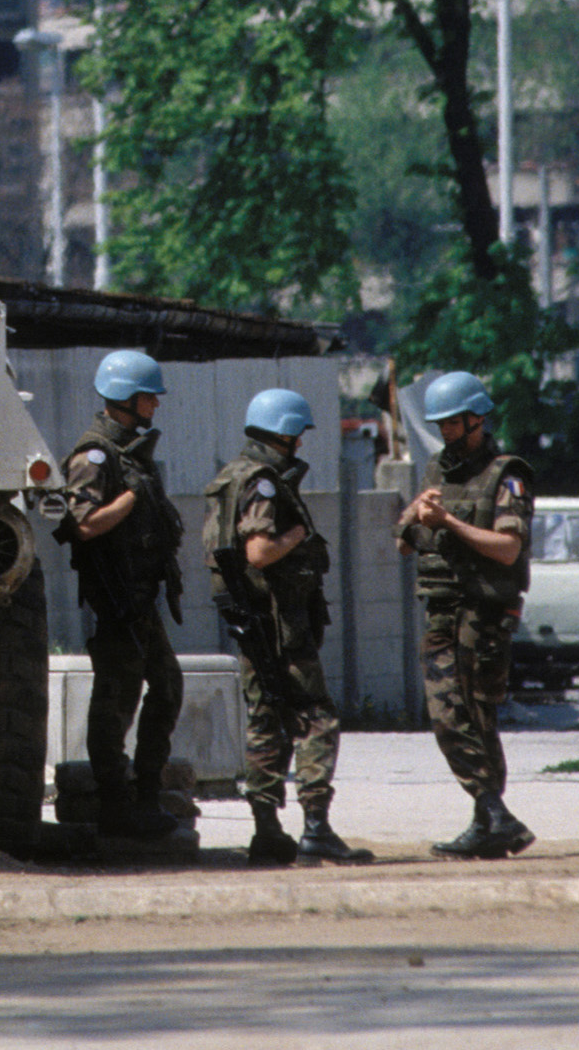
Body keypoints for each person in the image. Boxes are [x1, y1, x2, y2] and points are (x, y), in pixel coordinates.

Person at [203, 389, 372, 865]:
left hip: (254, 624)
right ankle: (316, 826)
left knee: (265, 723)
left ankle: (267, 831)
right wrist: (296, 534)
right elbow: (258, 551)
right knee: (317, 718)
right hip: (279, 625)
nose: (300, 443)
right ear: (282, 431)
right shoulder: (265, 483)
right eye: (297, 433)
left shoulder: (231, 477)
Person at [395, 371, 537, 859]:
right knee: (446, 714)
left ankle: (489, 820)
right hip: (443, 607)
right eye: (441, 423)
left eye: (453, 421)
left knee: (477, 717)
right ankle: (493, 815)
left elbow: (506, 548)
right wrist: (416, 514)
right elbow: (402, 540)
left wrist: (449, 522)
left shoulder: (506, 473)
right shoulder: (438, 468)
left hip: (484, 612)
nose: (446, 430)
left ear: (476, 417)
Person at [58, 350, 185, 840]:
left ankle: (145, 793)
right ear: (124, 399)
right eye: (148, 396)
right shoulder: (95, 457)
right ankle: (115, 802)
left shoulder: (131, 453)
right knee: (116, 702)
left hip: (141, 600)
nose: (155, 404)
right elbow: (83, 525)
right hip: (116, 602)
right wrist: (131, 499)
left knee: (167, 687)